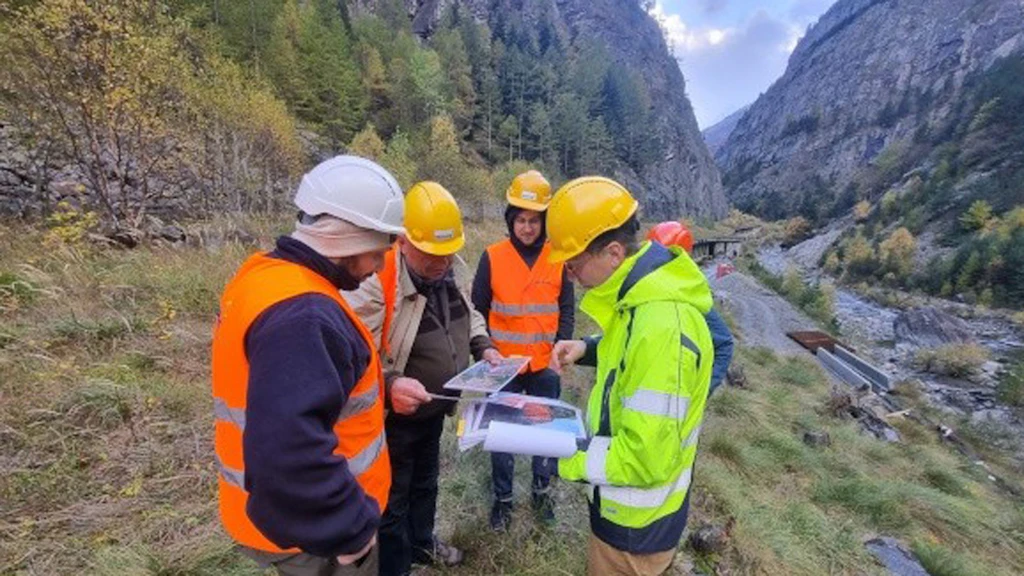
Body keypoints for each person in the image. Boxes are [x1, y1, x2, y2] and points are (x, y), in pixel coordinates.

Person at [211, 155, 408, 575]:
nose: (379, 268)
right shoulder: (305, 315)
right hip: (316, 537)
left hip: (289, 522)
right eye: (378, 252)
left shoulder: (267, 278)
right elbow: (288, 451)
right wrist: (350, 531)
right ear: (348, 237)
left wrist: (388, 387)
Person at [547, 177, 715, 576]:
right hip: (624, 511)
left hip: (635, 529)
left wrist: (562, 454)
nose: (570, 276)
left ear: (613, 253)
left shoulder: (660, 328)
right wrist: (586, 347)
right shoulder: (638, 303)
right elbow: (626, 353)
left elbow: (643, 459)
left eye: (574, 264)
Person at [345, 181, 502, 576]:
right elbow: (353, 355)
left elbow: (469, 316)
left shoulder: (449, 269)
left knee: (426, 483)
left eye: (447, 253)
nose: (442, 262)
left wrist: (484, 347)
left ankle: (422, 545)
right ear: (403, 241)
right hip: (393, 419)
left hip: (433, 410)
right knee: (393, 500)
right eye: (432, 254)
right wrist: (390, 384)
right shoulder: (375, 282)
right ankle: (397, 566)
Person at [470, 170, 575, 530]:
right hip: (504, 367)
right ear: (510, 220)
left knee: (545, 434)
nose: (527, 228)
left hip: (545, 366)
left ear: (544, 222)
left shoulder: (557, 257)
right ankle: (503, 501)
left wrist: (561, 348)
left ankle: (542, 494)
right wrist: (484, 352)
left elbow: (566, 308)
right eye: (521, 220)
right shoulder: (492, 257)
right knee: (501, 437)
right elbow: (477, 310)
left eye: (534, 220)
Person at [646, 221, 735, 394]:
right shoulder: (687, 292)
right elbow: (725, 343)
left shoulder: (689, 296)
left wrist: (702, 391)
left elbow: (724, 344)